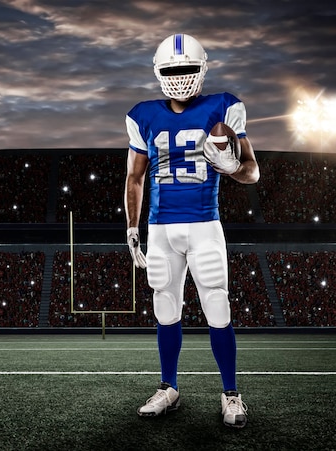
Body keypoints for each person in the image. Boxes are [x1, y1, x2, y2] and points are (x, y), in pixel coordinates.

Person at [124, 33, 259, 428]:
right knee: (165, 308)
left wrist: (231, 165)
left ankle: (231, 393)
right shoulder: (143, 115)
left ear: (202, 69)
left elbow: (252, 171)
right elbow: (135, 178)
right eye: (172, 70)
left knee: (217, 306)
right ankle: (169, 388)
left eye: (186, 69)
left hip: (204, 223)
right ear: (158, 72)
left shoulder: (223, 107)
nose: (180, 77)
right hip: (161, 228)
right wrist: (132, 228)